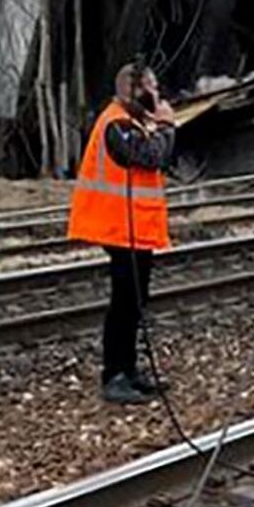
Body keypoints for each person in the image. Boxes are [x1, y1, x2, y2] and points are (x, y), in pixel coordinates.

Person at [66, 64, 177, 405]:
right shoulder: (116, 123)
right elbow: (152, 157)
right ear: (138, 89)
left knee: (135, 301)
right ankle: (114, 374)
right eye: (152, 87)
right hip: (116, 226)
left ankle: (128, 370)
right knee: (125, 303)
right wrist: (167, 124)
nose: (157, 93)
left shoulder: (131, 121)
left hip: (133, 228)